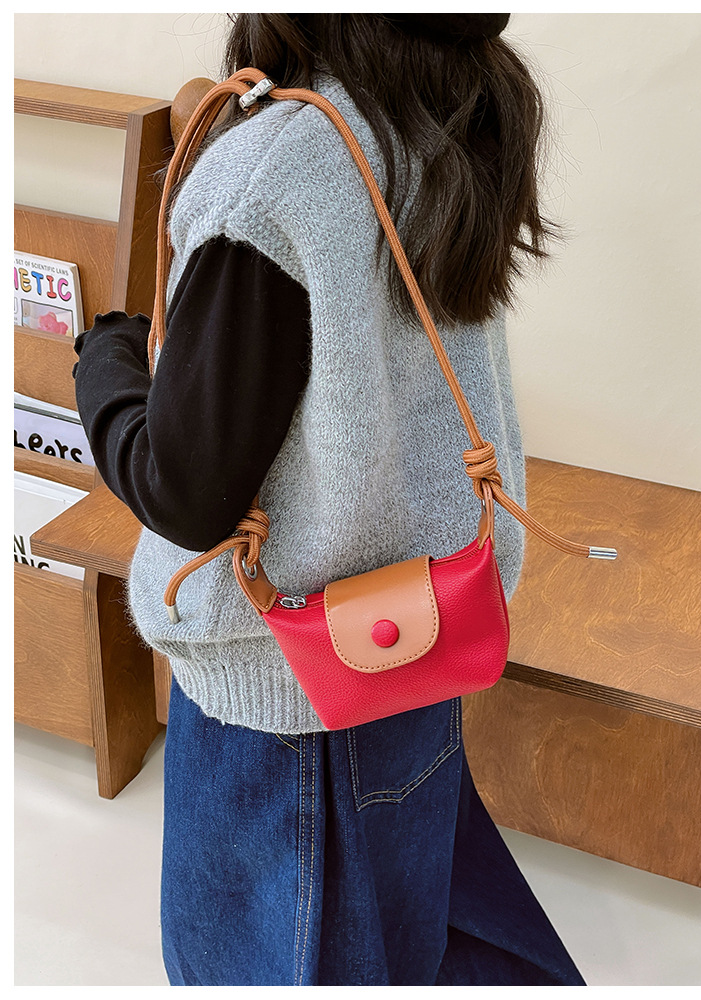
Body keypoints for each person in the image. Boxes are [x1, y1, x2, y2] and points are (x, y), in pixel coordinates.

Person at [72, 13, 587, 987]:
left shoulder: (278, 167)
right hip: (420, 632)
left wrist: (104, 358)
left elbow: (186, 493)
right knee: (407, 945)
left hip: (287, 695)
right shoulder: (451, 110)